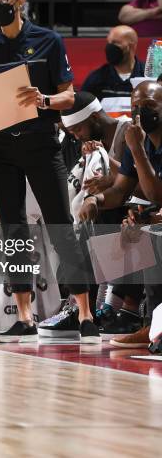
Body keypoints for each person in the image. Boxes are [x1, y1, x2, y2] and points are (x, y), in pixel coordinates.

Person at [0, 0, 100, 343]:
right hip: (3, 147)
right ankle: (24, 315)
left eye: (3, 0)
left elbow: (70, 96)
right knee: (14, 232)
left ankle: (85, 312)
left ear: (20, 3)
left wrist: (44, 101)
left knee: (60, 226)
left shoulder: (48, 41)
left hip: (41, 140)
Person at [79, 81, 162, 348]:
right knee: (134, 227)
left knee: (151, 232)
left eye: (149, 106)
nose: (141, 112)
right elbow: (120, 189)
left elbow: (157, 195)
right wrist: (96, 199)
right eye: (135, 106)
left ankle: (138, 315)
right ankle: (147, 322)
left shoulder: (136, 142)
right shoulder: (136, 141)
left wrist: (137, 149)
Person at [61, 92, 143, 336]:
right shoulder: (91, 144)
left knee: (114, 214)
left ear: (95, 118)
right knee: (88, 213)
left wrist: (111, 174)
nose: (76, 137)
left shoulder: (128, 130)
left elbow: (143, 185)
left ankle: (122, 306)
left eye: (78, 130)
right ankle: (87, 304)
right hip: (114, 208)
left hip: (138, 206)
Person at [81, 25, 145, 104]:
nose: (110, 47)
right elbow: (81, 107)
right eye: (109, 42)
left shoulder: (147, 76)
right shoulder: (97, 78)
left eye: (116, 43)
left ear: (131, 45)